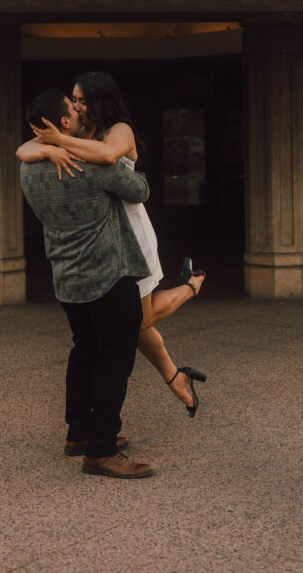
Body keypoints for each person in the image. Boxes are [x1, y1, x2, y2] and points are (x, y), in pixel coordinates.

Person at [18, 70, 207, 417]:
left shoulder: (119, 130)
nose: (76, 106)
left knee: (138, 319)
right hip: (103, 229)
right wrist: (48, 150)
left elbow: (106, 157)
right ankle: (176, 377)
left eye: (81, 100)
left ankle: (191, 287)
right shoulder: (80, 131)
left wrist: (57, 143)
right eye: (73, 101)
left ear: (99, 100)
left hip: (130, 228)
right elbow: (23, 148)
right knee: (133, 321)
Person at [19, 86, 155, 479]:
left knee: (84, 351)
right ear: (63, 123)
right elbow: (140, 190)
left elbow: (25, 148)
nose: (80, 111)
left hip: (66, 277)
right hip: (109, 274)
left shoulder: (28, 164)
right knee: (115, 359)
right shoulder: (92, 164)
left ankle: (78, 432)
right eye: (74, 109)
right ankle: (101, 449)